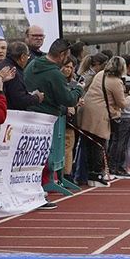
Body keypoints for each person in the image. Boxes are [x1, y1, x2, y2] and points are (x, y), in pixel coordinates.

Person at [25, 39, 85, 203]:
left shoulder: (32, 65)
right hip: (45, 119)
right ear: (62, 55)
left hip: (29, 116)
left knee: (32, 157)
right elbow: (68, 99)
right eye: (67, 57)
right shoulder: (54, 74)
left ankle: (33, 188)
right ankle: (36, 190)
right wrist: (79, 89)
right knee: (41, 156)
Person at [77, 56, 130, 187]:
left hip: (87, 112)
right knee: (99, 145)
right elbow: (122, 103)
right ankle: (95, 175)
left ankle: (84, 175)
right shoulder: (115, 82)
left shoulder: (101, 74)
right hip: (99, 116)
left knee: (88, 145)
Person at [0, 41, 43, 110]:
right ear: (22, 57)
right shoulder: (13, 72)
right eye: (27, 56)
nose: (27, 60)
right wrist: (36, 98)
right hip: (9, 115)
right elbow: (19, 100)